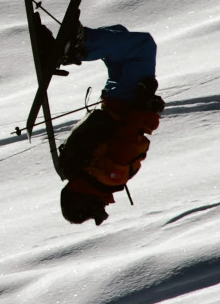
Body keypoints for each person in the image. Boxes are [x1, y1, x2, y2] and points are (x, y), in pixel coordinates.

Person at [37, 22, 165, 226]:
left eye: (97, 207)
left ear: (85, 199)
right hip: (112, 101)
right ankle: (75, 47)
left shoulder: (110, 177)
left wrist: (144, 102)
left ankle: (74, 48)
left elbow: (126, 134)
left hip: (128, 101)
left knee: (142, 46)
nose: (104, 205)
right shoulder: (74, 172)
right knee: (120, 38)